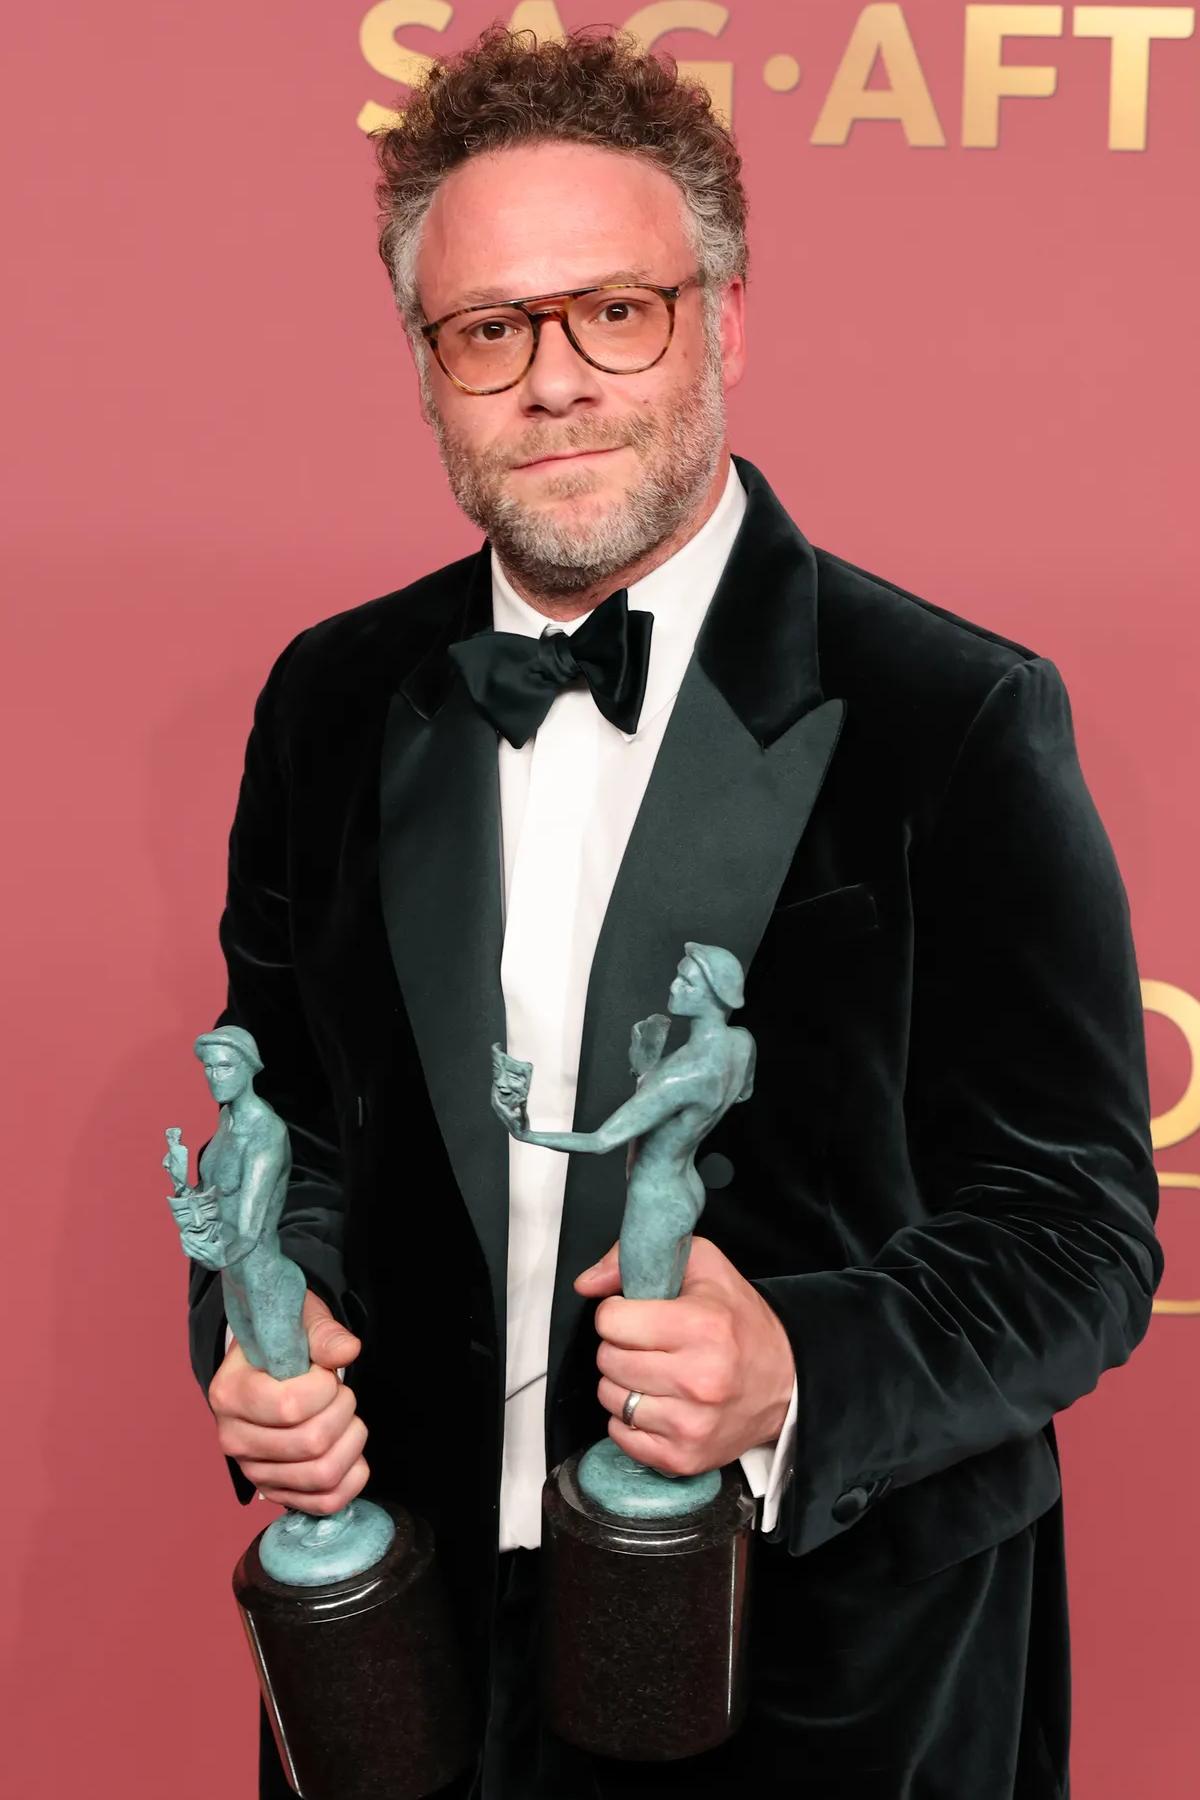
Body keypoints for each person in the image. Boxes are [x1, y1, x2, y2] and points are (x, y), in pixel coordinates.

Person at [185, 26, 1162, 1799]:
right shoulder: (330, 700)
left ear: (725, 320)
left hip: (836, 1690)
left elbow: (1076, 1235)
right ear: (428, 369)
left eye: (615, 313)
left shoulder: (953, 714)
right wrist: (262, 1332)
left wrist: (797, 1367)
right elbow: (297, 1129)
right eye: (491, 329)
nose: (555, 382)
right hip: (409, 1679)